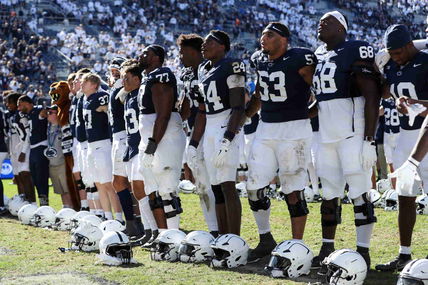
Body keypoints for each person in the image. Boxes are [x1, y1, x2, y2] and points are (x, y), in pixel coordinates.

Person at [310, 11, 381, 269]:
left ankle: (363, 251)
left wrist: (369, 139)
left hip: (352, 131)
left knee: (360, 191)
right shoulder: (318, 54)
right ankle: (327, 246)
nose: (321, 24)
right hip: (326, 133)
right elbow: (320, 97)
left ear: (342, 28)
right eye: (320, 21)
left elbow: (372, 95)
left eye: (328, 21)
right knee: (329, 192)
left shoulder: (355, 49)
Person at [244, 22, 316, 262]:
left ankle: (297, 246)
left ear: (284, 40)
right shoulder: (259, 59)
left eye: (269, 35)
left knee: (293, 189)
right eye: (262, 34)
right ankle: (266, 239)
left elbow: (321, 92)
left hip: (294, 129)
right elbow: (259, 95)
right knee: (253, 186)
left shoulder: (301, 58)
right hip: (265, 128)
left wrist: (306, 115)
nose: (263, 38)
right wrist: (242, 118)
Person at [375, 24, 428, 271]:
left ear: (409, 45)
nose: (395, 57)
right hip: (406, 135)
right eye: (391, 53)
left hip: (426, 134)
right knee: (405, 195)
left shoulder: (425, 61)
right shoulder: (393, 67)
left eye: (398, 52)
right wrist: (400, 104)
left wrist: (418, 103)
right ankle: (404, 254)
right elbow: (390, 92)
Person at [188, 30, 246, 235]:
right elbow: (202, 110)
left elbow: (239, 106)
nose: (204, 46)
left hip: (225, 123)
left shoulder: (232, 65)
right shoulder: (204, 69)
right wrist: (194, 143)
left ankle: (234, 239)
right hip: (211, 126)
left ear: (222, 46)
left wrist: (228, 138)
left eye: (209, 42)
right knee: (216, 187)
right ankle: (223, 237)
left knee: (228, 185)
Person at [138, 44, 186, 230]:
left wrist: (152, 146)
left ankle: (173, 234)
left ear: (156, 57)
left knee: (167, 188)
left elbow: (164, 114)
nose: (141, 55)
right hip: (153, 138)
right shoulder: (147, 78)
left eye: (145, 53)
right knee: (152, 187)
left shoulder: (161, 75)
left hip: (162, 139)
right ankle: (162, 233)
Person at [177, 33, 218, 236]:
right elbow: (186, 104)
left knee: (215, 183)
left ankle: (222, 230)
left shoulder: (209, 69)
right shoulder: (186, 74)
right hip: (194, 130)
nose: (180, 56)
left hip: (212, 128)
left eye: (183, 52)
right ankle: (214, 230)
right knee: (201, 184)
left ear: (194, 52)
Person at [121, 63, 157, 246]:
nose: (123, 81)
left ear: (137, 79)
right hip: (132, 145)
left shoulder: (141, 95)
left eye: (127, 78)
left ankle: (155, 230)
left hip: (141, 144)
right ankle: (149, 229)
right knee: (137, 190)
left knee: (144, 189)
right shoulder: (128, 97)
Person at [107, 57, 142, 236]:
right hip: (117, 137)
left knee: (126, 182)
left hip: (125, 136)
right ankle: (134, 221)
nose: (114, 76)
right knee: (121, 182)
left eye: (117, 72)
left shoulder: (125, 89)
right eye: (112, 72)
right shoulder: (116, 89)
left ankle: (136, 222)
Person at [81, 72, 123, 221]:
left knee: (108, 184)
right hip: (91, 145)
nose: (81, 84)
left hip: (103, 144)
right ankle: (107, 217)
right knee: (99, 184)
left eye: (84, 82)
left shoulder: (101, 96)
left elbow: (111, 109)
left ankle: (118, 218)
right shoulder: (86, 100)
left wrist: (104, 108)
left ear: (94, 85)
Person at [17, 95, 50, 206]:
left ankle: (45, 205)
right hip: (33, 149)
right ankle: (41, 205)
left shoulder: (38, 110)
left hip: (41, 147)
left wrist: (45, 109)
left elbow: (45, 112)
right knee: (35, 180)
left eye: (20, 105)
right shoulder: (30, 115)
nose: (19, 108)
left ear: (26, 103)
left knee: (42, 180)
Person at [4, 92, 35, 204]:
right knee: (18, 176)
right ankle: (22, 201)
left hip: (22, 145)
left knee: (25, 174)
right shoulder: (9, 114)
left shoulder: (21, 115)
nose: (7, 105)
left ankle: (31, 202)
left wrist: (23, 151)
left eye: (9, 102)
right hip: (14, 146)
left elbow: (27, 134)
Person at [45, 105, 73, 208]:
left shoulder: (63, 127)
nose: (48, 114)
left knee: (67, 189)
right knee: (59, 190)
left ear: (57, 115)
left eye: (51, 112)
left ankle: (71, 209)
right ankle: (65, 207)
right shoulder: (48, 127)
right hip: (52, 163)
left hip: (62, 163)